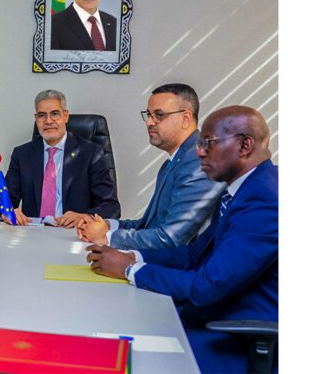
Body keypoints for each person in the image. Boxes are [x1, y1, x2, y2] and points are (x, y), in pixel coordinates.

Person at [86, 106, 277, 373]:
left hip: (233, 335)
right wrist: (134, 256)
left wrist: (130, 269)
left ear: (244, 145)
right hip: (213, 315)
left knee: (118, 353)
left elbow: (207, 287)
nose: (199, 152)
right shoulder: (239, 190)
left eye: (208, 143)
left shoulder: (265, 199)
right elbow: (194, 254)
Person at [77, 83, 224, 249]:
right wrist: (107, 225)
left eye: (159, 115)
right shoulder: (174, 162)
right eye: (149, 115)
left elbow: (171, 239)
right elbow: (148, 225)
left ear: (185, 119)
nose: (148, 122)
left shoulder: (199, 163)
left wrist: (107, 237)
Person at [0, 89, 120, 227]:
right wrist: (6, 212)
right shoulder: (22, 154)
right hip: (33, 232)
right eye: (42, 115)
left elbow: (111, 207)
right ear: (36, 119)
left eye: (55, 114)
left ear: (65, 116)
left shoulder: (91, 153)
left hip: (74, 233)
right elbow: (1, 203)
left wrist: (85, 217)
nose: (48, 121)